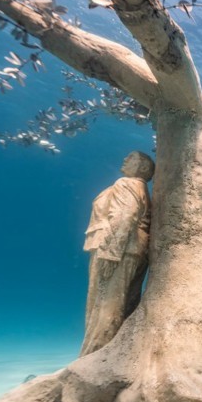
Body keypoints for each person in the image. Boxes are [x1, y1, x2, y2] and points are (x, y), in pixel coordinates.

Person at [80, 151, 154, 356]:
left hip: (119, 249)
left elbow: (124, 216)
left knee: (103, 307)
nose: (125, 159)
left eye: (131, 158)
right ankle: (121, 355)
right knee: (124, 305)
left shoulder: (127, 183)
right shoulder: (141, 189)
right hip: (134, 250)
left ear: (144, 168)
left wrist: (110, 253)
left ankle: (93, 359)